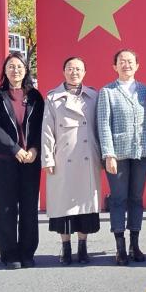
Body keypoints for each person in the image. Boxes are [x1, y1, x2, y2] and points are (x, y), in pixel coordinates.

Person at [41, 56, 103, 264]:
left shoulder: (94, 96)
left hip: (88, 156)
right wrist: (47, 159)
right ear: (63, 71)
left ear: (84, 72)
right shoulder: (52, 98)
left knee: (85, 205)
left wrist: (103, 155)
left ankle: (83, 246)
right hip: (62, 158)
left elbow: (100, 127)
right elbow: (47, 130)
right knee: (64, 205)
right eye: (70, 68)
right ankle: (65, 246)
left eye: (78, 69)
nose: (74, 72)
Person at [0, 52, 44, 269]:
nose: (15, 70)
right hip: (5, 161)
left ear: (26, 69)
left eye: (19, 66)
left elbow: (41, 125)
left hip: (31, 160)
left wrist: (35, 148)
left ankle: (27, 252)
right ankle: (10, 254)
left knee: (29, 208)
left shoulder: (35, 96)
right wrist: (14, 149)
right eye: (11, 66)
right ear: (5, 70)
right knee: (6, 208)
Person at [97, 49, 146, 266]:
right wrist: (108, 154)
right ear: (115, 66)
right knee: (119, 199)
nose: (126, 65)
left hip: (142, 152)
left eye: (130, 61)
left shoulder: (145, 91)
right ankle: (120, 247)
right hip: (117, 154)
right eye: (121, 61)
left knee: (136, 198)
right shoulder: (107, 92)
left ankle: (134, 244)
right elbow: (103, 124)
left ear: (137, 65)